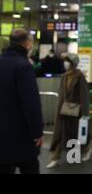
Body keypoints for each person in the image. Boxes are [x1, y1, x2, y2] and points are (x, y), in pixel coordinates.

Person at [0, 29, 43, 174]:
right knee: (30, 168)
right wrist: (37, 132)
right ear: (27, 44)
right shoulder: (24, 66)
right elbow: (31, 103)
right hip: (21, 134)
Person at [46, 53, 92, 169]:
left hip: (76, 111)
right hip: (63, 110)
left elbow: (84, 96)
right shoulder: (65, 76)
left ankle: (86, 148)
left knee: (76, 134)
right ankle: (55, 158)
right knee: (60, 134)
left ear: (73, 63)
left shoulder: (80, 77)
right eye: (65, 61)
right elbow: (62, 94)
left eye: (67, 61)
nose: (65, 63)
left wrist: (85, 114)